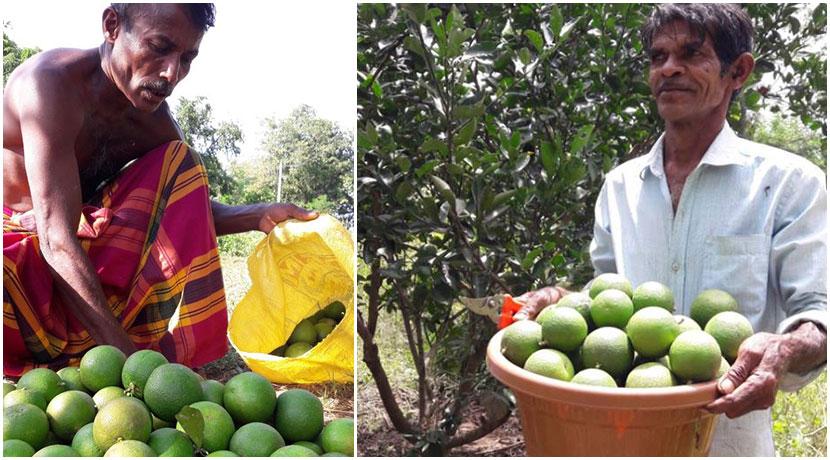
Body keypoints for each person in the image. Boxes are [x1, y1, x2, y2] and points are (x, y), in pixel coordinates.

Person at [514, 4, 826, 456]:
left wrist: (782, 351)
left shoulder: (788, 184)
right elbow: (605, 298)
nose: (669, 68)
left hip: (729, 441)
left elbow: (818, 316)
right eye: (658, 56)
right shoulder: (620, 186)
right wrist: (560, 301)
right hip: (618, 439)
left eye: (691, 53)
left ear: (737, 72)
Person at [3, 3, 317, 377]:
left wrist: (258, 215)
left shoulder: (150, 121)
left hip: (73, 250)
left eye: (187, 59)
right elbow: (57, 238)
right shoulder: (51, 85)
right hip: (23, 257)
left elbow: (186, 204)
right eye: (159, 47)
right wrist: (132, 363)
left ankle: (96, 342)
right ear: (112, 26)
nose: (172, 73)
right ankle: (101, 342)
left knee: (182, 164)